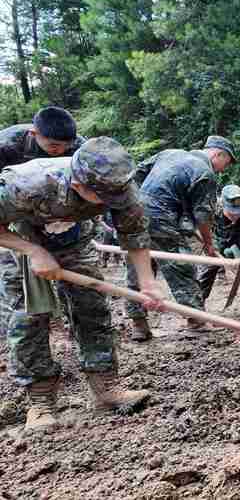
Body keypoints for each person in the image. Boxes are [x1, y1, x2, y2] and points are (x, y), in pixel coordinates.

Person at [2, 137, 165, 431]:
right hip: (19, 240)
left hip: (74, 240)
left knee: (92, 307)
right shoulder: (26, 184)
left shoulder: (118, 185)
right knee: (28, 318)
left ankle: (105, 390)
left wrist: (147, 282)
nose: (112, 202)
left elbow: (134, 233)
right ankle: (40, 403)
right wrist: (34, 251)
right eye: (103, 197)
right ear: (79, 185)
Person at [124, 135, 235, 341]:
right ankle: (196, 321)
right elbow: (203, 216)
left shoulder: (170, 153)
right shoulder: (205, 173)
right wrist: (209, 244)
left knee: (138, 267)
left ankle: (138, 325)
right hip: (161, 218)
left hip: (131, 214)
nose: (223, 169)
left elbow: (137, 173)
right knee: (180, 267)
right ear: (218, 154)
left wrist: (136, 202)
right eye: (226, 163)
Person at [0, 107, 85, 337]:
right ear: (33, 133)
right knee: (21, 291)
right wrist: (31, 249)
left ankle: (79, 333)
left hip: (63, 215)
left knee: (82, 284)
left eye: (66, 146)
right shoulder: (6, 146)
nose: (61, 153)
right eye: (54, 147)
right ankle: (33, 368)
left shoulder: (78, 147)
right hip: (12, 216)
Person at [197, 185, 240, 310]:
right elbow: (198, 225)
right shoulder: (210, 210)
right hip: (216, 240)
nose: (235, 216)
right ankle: (196, 308)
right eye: (231, 212)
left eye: (237, 212)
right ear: (222, 205)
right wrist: (208, 244)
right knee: (204, 270)